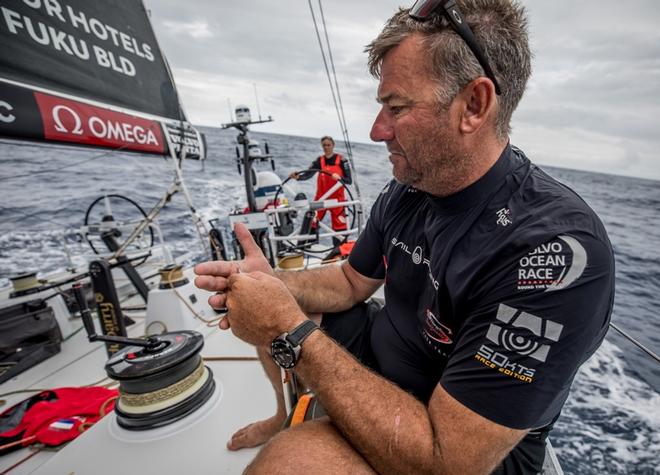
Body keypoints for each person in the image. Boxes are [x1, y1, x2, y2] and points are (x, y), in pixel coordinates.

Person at [194, 1, 615, 473]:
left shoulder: (555, 251)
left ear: (473, 106)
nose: (377, 131)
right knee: (267, 294)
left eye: (396, 108)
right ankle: (281, 413)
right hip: (383, 358)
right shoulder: (411, 186)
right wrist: (274, 286)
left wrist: (285, 329)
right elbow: (353, 282)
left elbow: (448, 461)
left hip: (453, 442)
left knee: (289, 464)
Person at [289, 136, 353, 246]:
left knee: (340, 227)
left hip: (337, 200)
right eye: (324, 145)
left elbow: (349, 181)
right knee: (312, 221)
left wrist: (340, 178)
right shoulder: (319, 161)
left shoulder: (342, 160)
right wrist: (297, 177)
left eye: (329, 145)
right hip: (321, 199)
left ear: (333, 145)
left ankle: (339, 251)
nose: (326, 147)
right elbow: (308, 174)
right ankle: (308, 246)